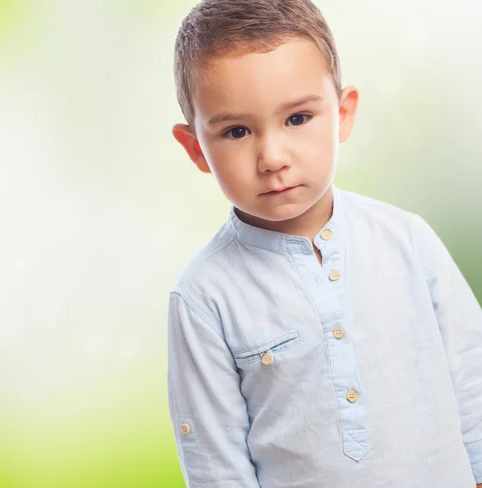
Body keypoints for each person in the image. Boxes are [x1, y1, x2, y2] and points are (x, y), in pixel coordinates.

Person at [166, 0, 482, 487]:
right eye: (236, 130)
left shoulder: (407, 241)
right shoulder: (205, 297)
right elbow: (214, 459)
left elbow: (472, 380)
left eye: (297, 119)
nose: (271, 157)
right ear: (195, 149)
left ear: (343, 113)